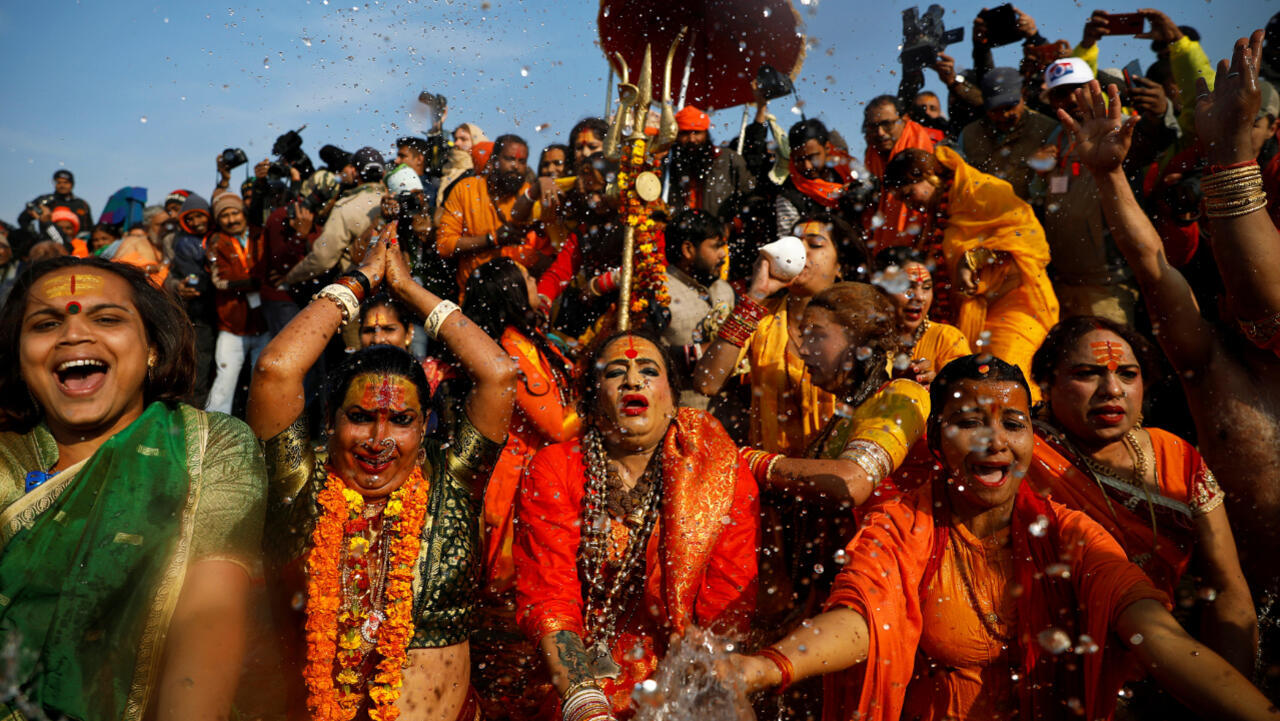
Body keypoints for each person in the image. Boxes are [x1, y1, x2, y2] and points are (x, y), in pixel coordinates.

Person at [727, 356, 1280, 721]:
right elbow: (863, 620)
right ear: (938, 444)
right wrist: (765, 667)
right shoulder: (902, 523)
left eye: (1013, 424)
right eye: (970, 422)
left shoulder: (1066, 531)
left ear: (1031, 439)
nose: (995, 442)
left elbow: (1152, 632)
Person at [249, 232, 516, 721]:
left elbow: (498, 373)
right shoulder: (301, 479)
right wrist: (359, 281)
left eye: (401, 420)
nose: (378, 438)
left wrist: (409, 288)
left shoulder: (451, 481)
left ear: (426, 425)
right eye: (360, 416)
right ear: (330, 420)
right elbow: (275, 370)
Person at [0, 256, 266, 720]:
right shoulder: (7, 459)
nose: (74, 335)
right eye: (46, 323)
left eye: (106, 318)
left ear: (152, 349)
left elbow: (209, 618)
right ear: (21, 358)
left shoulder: (209, 447)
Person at [514, 329, 760, 719]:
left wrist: (695, 686)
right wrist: (586, 704)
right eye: (614, 373)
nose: (632, 379)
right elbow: (549, 598)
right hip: (575, 672)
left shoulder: (718, 473)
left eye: (648, 369)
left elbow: (727, 609)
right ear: (593, 400)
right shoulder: (555, 468)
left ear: (672, 399)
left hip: (682, 674)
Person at [1027, 316, 1256, 677]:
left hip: (1168, 662)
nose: (1112, 389)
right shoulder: (1024, 454)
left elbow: (1228, 587)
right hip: (1053, 666)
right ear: (1045, 383)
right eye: (1088, 373)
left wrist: (1232, 690)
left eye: (1128, 375)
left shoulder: (1175, 456)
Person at [459, 257, 579, 720]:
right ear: (512, 291)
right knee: (513, 603)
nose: (537, 283)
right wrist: (598, 399)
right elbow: (558, 423)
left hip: (540, 482)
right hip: (518, 492)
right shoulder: (510, 348)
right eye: (529, 279)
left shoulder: (530, 341)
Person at [883, 146, 1059, 401]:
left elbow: (1031, 238)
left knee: (1007, 387)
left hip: (1015, 307)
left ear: (929, 176)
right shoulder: (939, 213)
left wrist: (975, 258)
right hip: (975, 316)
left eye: (910, 194)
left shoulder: (980, 190)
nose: (912, 206)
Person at [692, 214, 843, 456]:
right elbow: (707, 382)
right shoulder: (760, 318)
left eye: (814, 245)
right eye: (794, 242)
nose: (801, 251)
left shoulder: (857, 322)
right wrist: (755, 296)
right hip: (770, 476)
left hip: (836, 476)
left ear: (839, 267)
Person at [1037, 57, 1140, 324]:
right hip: (1063, 282)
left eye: (1078, 88)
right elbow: (1041, 196)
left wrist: (1161, 115)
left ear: (1095, 87)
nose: (1072, 98)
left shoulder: (1122, 126)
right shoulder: (1055, 137)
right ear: (1050, 100)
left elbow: (1159, 142)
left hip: (1110, 284)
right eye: (1060, 93)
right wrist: (1038, 171)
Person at [437, 134, 547, 294]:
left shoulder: (528, 195)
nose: (515, 166)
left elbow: (541, 251)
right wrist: (492, 239)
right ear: (494, 160)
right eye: (509, 159)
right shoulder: (466, 189)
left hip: (519, 300)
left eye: (521, 161)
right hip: (474, 297)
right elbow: (444, 245)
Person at [660, 209, 734, 410]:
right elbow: (649, 358)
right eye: (716, 246)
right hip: (680, 416)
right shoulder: (658, 291)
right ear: (688, 250)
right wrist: (706, 352)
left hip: (725, 416)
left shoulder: (724, 289)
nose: (723, 254)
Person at [282, 147, 386, 287]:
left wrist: (290, 278)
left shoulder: (345, 207)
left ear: (355, 172)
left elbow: (323, 259)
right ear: (383, 173)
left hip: (360, 289)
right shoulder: (395, 203)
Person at [205, 193, 268, 416]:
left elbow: (273, 267)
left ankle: (262, 429)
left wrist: (252, 281)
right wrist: (254, 282)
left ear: (243, 212)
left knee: (263, 381)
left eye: (235, 212)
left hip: (264, 323)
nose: (231, 219)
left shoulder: (261, 234)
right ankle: (213, 433)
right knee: (224, 381)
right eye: (225, 215)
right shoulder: (216, 242)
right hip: (231, 323)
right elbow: (219, 281)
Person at [957, 67, 1057, 202]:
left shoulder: (1047, 130)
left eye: (1009, 107)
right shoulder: (969, 135)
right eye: (994, 110)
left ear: (1024, 94)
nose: (1003, 116)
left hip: (1030, 218)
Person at [874, 246, 971, 383]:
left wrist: (937, 387)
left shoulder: (948, 340)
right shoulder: (863, 339)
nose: (920, 297)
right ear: (881, 290)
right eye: (907, 287)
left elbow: (965, 393)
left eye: (926, 288)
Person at [861, 95, 943, 251]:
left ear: (904, 119)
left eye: (887, 124)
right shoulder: (870, 159)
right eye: (873, 127)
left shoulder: (935, 150)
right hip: (885, 249)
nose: (880, 132)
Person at [164, 192, 217, 408]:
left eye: (200, 216)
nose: (196, 223)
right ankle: (195, 410)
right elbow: (191, 278)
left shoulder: (217, 235)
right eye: (190, 219)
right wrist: (186, 284)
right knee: (201, 361)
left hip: (224, 309)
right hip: (201, 310)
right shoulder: (183, 243)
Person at [664, 106, 755, 219]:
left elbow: (751, 194)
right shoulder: (670, 162)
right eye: (685, 133)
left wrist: (735, 221)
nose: (691, 139)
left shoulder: (729, 159)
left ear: (706, 133)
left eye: (697, 132)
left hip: (719, 232)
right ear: (677, 136)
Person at [17, 169, 92, 239]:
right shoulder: (44, 202)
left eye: (65, 182)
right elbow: (23, 219)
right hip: (50, 244)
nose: (62, 185)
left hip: (77, 245)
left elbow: (89, 228)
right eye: (58, 182)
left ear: (72, 184)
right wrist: (35, 236)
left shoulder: (82, 204)